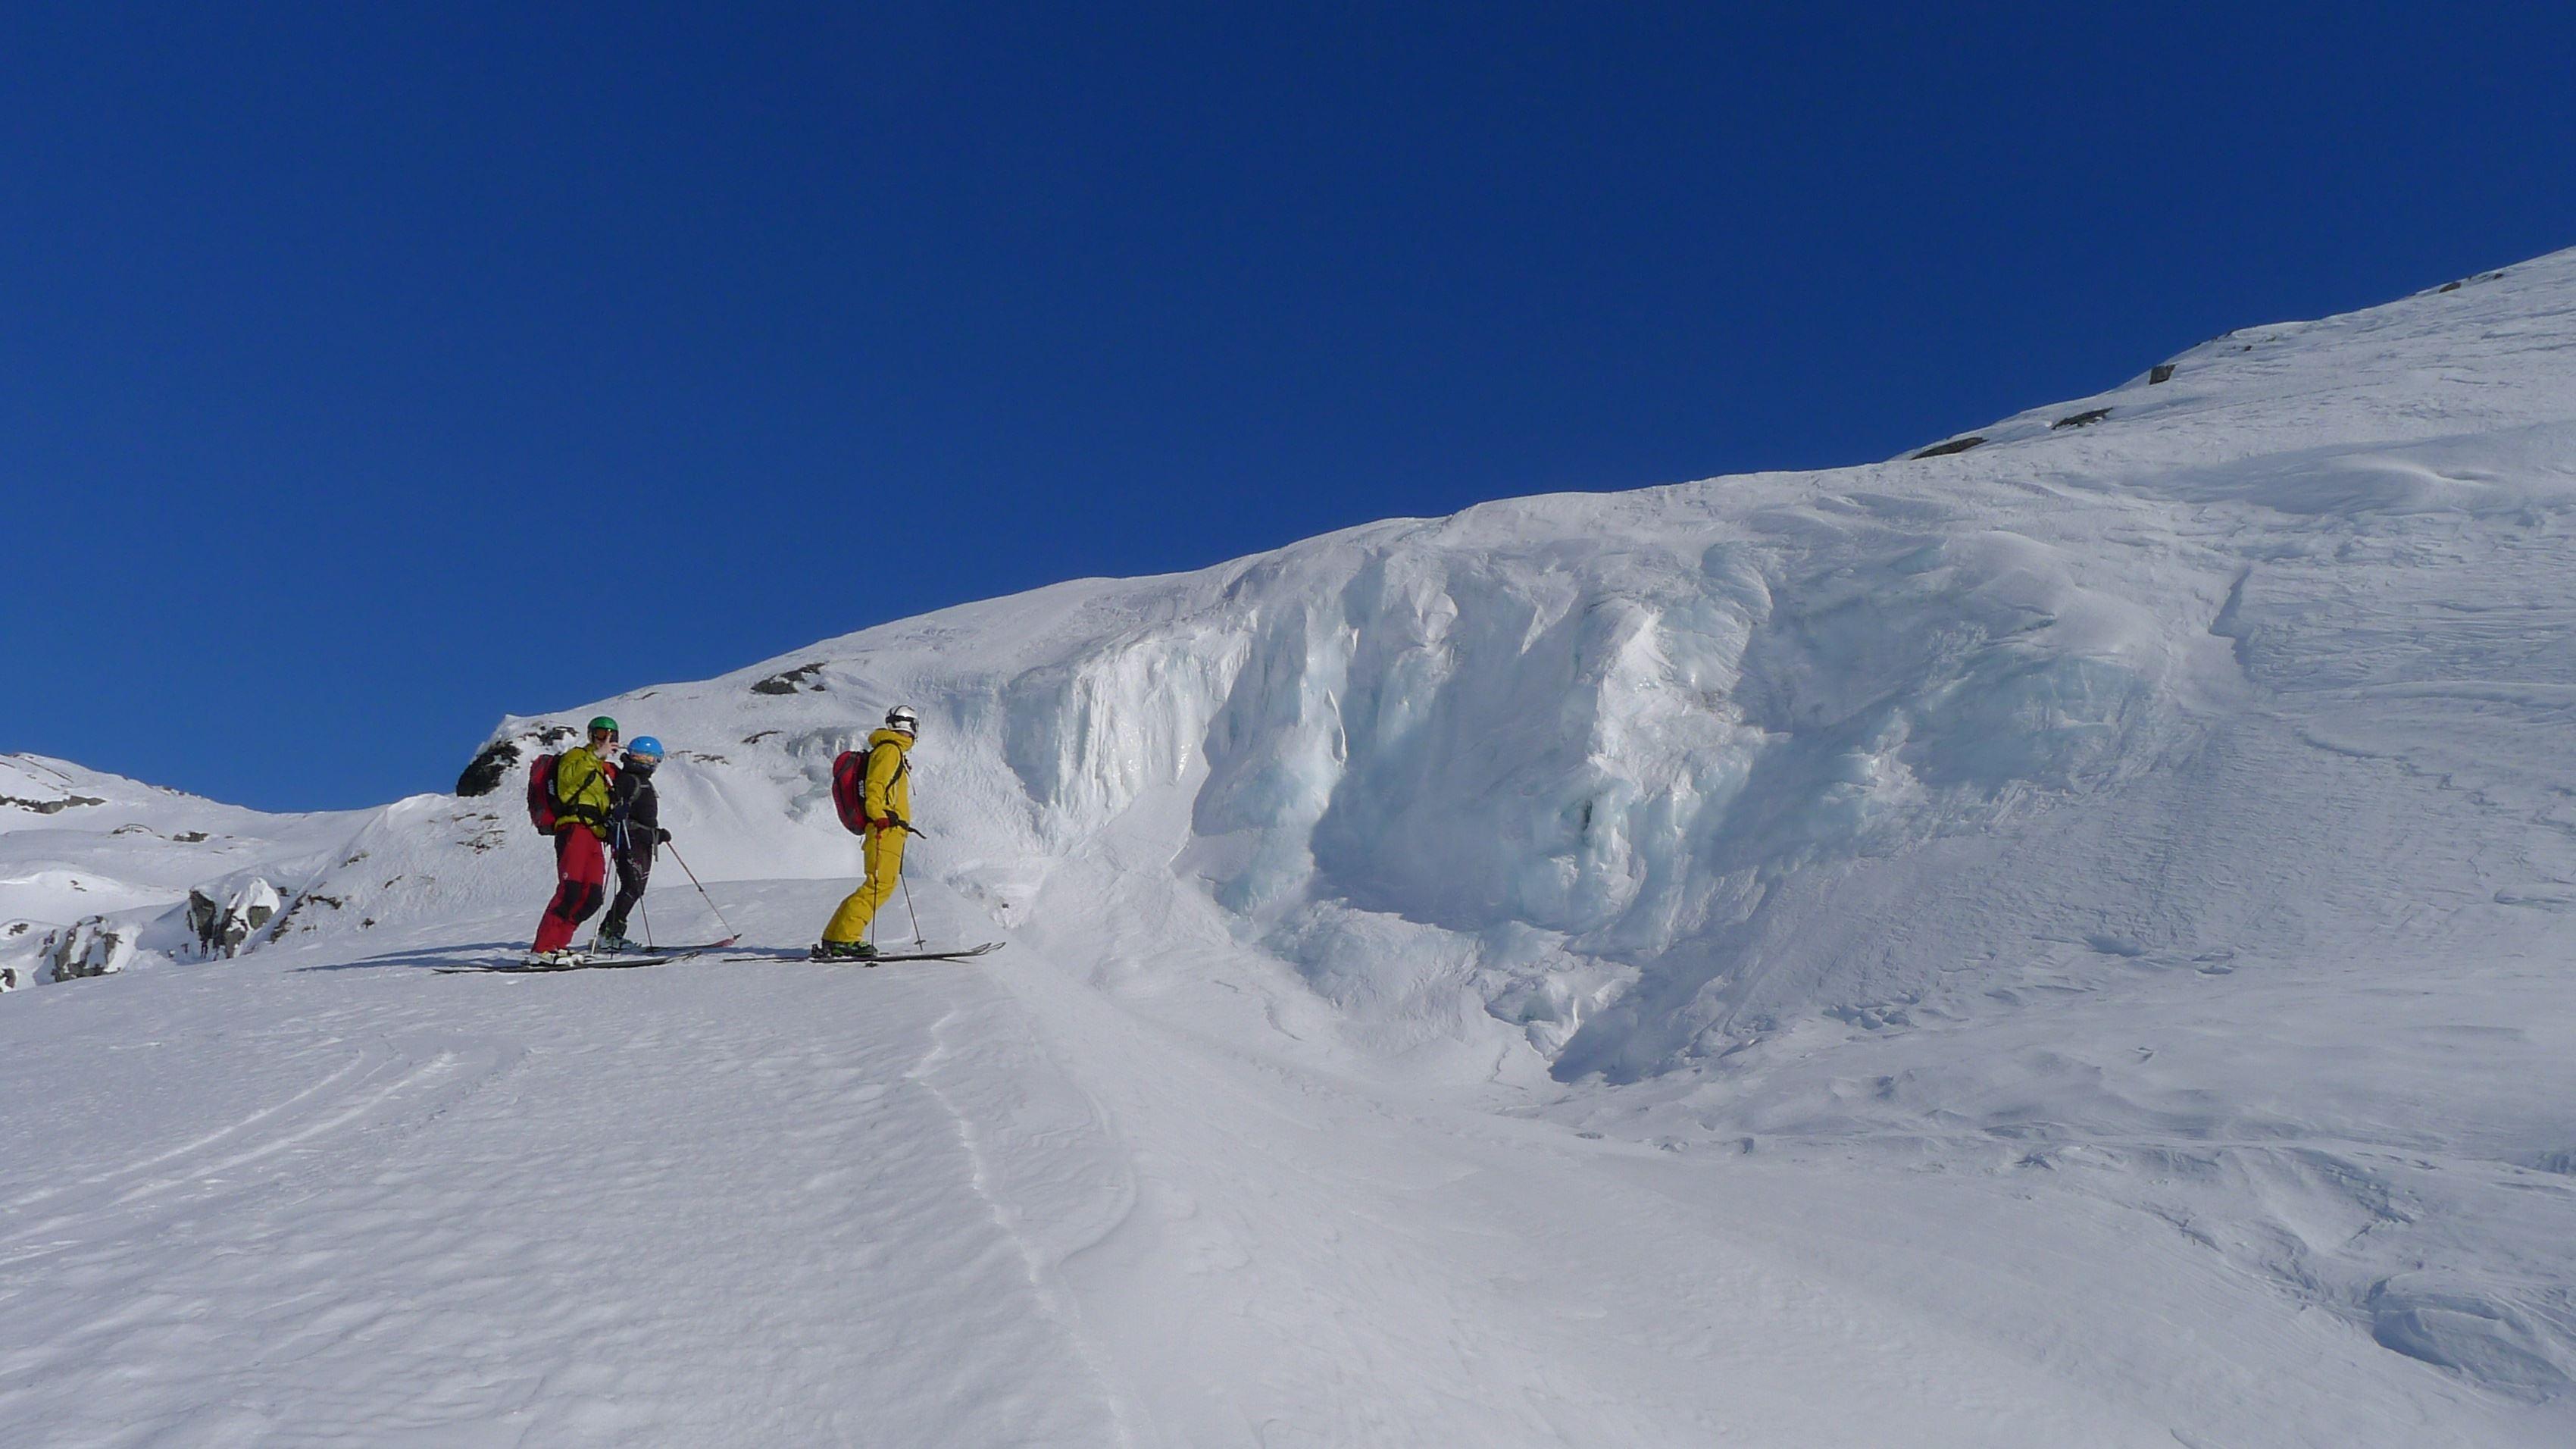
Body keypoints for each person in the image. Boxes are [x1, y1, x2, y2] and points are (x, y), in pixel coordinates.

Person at [816, 706, 918, 959]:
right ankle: (845, 938)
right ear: (912, 727)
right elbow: (875, 786)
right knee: (878, 885)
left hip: (889, 828)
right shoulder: (889, 750)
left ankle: (836, 937)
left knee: (879, 884)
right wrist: (880, 816)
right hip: (885, 827)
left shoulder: (890, 750)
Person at [529, 716, 620, 965]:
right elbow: (567, 782)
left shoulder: (604, 771)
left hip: (595, 833)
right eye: (601, 733)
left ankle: (559, 944)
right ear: (591, 735)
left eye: (611, 735)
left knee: (592, 897)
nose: (606, 739)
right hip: (574, 827)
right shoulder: (577, 756)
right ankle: (543, 948)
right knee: (571, 889)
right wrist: (595, 756)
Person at [593, 735, 671, 953]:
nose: (647, 761)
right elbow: (627, 814)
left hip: (635, 839)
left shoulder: (631, 778)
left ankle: (611, 932)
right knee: (632, 887)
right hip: (631, 840)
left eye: (651, 757)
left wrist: (656, 834)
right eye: (643, 756)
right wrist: (653, 833)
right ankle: (610, 934)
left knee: (633, 887)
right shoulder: (631, 780)